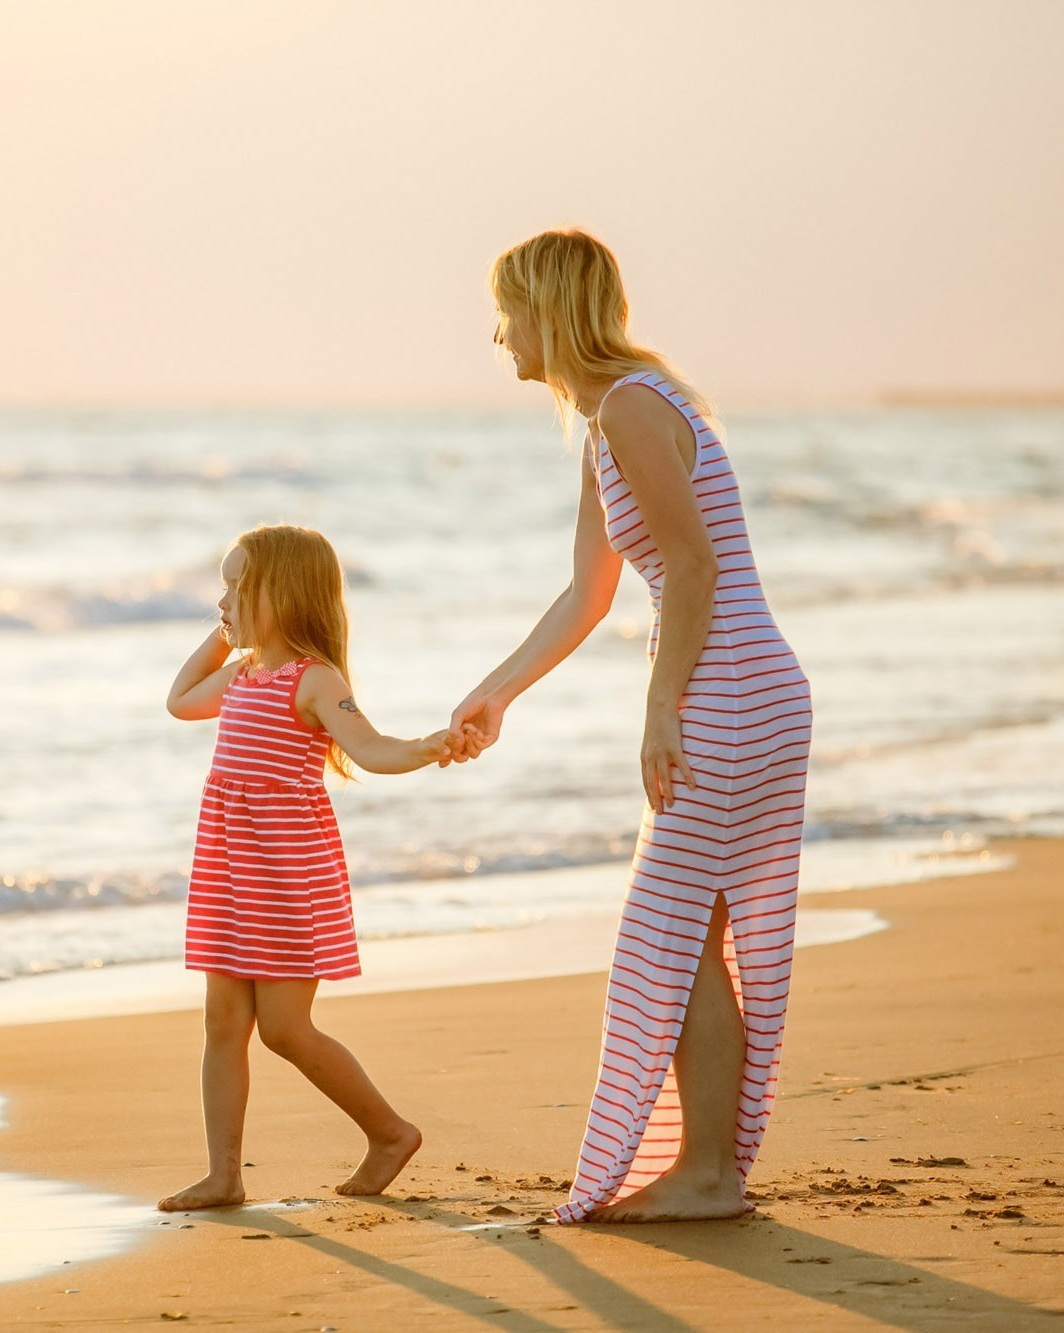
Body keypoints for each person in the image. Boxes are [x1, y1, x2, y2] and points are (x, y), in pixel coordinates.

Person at [450, 229, 813, 1222]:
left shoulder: (629, 406)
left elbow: (692, 568)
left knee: (668, 931)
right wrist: (497, 691)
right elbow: (585, 595)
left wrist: (661, 710)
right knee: (685, 928)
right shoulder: (605, 418)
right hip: (736, 684)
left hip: (727, 688)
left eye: (505, 310)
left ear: (548, 311)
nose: (495, 335)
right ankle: (708, 1167)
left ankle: (704, 1170)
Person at [158, 524, 450, 1211]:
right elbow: (178, 701)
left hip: (288, 876)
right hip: (229, 871)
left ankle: (389, 1132)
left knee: (286, 1028)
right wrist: (227, 633)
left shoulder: (313, 679)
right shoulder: (240, 675)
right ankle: (223, 1173)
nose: (222, 599)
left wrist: (429, 747)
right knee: (223, 1021)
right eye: (221, 585)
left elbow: (372, 748)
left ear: (283, 594)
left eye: (237, 586)